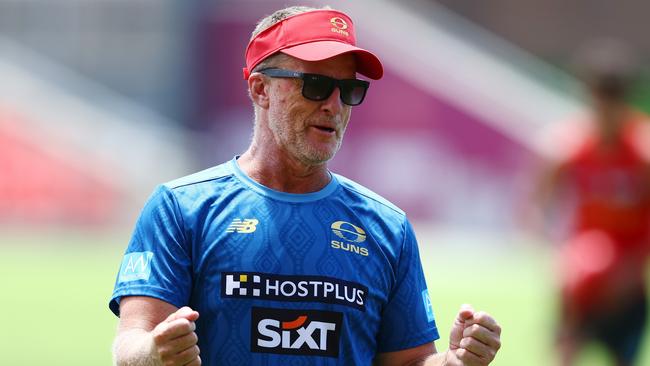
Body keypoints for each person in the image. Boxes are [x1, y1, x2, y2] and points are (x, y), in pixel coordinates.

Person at [109, 5, 502, 366]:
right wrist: (153, 355)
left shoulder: (387, 227)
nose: (334, 105)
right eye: (315, 84)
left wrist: (452, 363)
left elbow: (409, 361)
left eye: (349, 90)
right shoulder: (182, 208)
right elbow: (131, 345)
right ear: (261, 89)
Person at [534, 39, 650, 366]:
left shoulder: (642, 152)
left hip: (627, 287)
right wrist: (560, 253)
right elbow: (539, 201)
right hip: (581, 280)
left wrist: (633, 265)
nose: (603, 112)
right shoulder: (571, 147)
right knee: (566, 354)